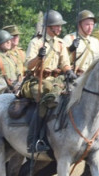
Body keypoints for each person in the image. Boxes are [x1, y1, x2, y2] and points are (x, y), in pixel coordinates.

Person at [23, 10, 71, 153]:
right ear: (48, 27)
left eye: (60, 26)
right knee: (47, 93)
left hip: (55, 80)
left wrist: (69, 72)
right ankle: (34, 139)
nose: (60, 29)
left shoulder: (61, 43)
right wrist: (38, 57)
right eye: (57, 26)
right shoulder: (36, 42)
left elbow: (65, 63)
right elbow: (28, 65)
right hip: (37, 80)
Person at [64, 9, 99, 74]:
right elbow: (62, 61)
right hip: (75, 77)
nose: (90, 28)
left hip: (91, 78)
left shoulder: (96, 42)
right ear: (79, 24)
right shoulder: (69, 39)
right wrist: (70, 50)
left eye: (92, 25)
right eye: (87, 25)